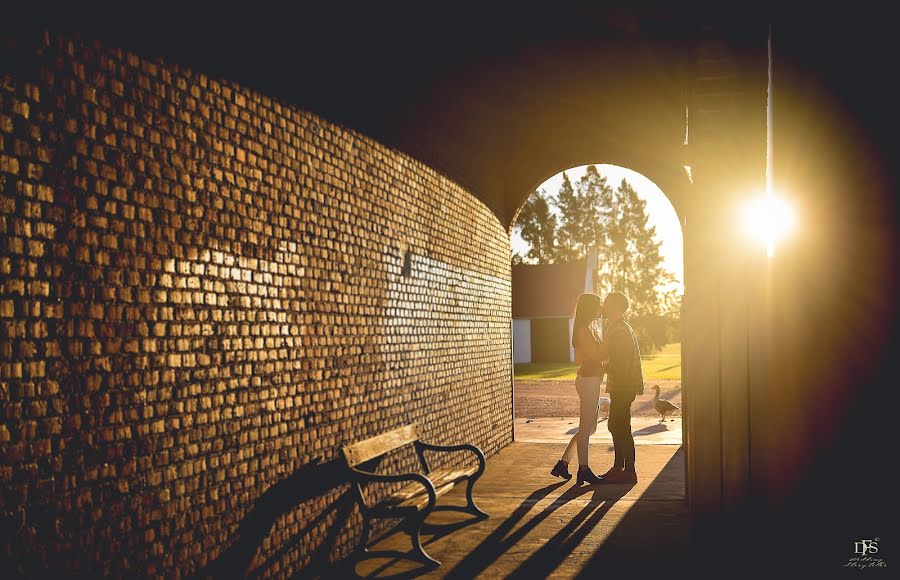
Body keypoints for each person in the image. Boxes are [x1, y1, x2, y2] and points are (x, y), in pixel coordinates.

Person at [551, 293, 609, 485]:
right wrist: (612, 348)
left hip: (593, 380)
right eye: (599, 305)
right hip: (588, 381)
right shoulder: (584, 329)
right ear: (591, 308)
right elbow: (595, 355)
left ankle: (563, 463)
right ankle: (583, 470)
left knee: (589, 428)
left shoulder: (591, 327)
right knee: (586, 429)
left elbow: (595, 356)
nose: (602, 309)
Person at [599, 291, 644, 484]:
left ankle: (629, 470)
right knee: (617, 425)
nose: (604, 308)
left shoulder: (620, 331)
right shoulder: (618, 327)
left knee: (621, 427)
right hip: (622, 385)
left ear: (616, 308)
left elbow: (621, 362)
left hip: (624, 386)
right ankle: (619, 467)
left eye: (607, 305)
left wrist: (601, 366)